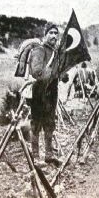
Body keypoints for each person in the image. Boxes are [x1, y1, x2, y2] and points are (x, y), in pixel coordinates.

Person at [28, 22, 61, 166]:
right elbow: (36, 72)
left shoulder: (55, 52)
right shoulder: (39, 50)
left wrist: (61, 75)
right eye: (51, 33)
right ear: (45, 34)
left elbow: (56, 73)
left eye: (55, 33)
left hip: (51, 92)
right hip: (39, 91)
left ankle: (49, 154)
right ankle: (35, 156)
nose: (53, 36)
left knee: (50, 123)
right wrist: (51, 74)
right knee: (36, 124)